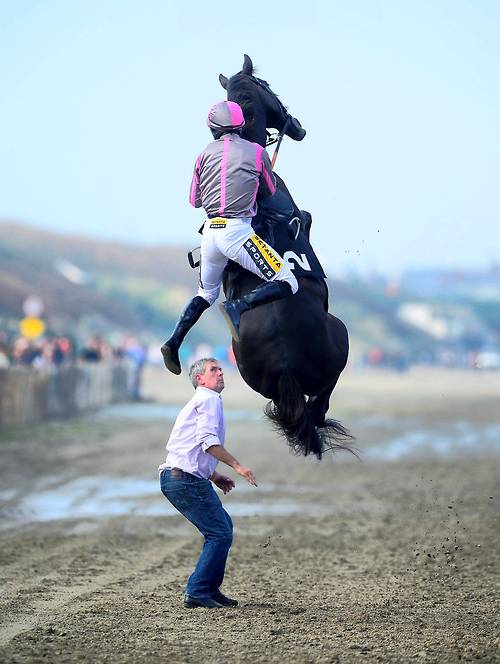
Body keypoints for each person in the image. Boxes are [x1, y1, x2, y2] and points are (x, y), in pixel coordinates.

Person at [161, 100, 298, 374]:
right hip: (238, 234)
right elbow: (269, 192)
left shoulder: (202, 155)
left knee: (205, 294)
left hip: (210, 235)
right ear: (241, 125)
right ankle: (239, 306)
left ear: (212, 128)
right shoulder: (257, 152)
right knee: (288, 281)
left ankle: (173, 341)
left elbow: (194, 200)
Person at [159, 357, 257, 609]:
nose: (221, 373)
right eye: (214, 370)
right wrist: (237, 466)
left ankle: (210, 589)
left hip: (183, 477)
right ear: (200, 379)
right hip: (183, 480)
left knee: (223, 527)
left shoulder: (205, 400)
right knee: (219, 533)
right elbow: (208, 441)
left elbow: (190, 447)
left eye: (221, 369)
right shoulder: (208, 399)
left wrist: (214, 476)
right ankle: (198, 590)